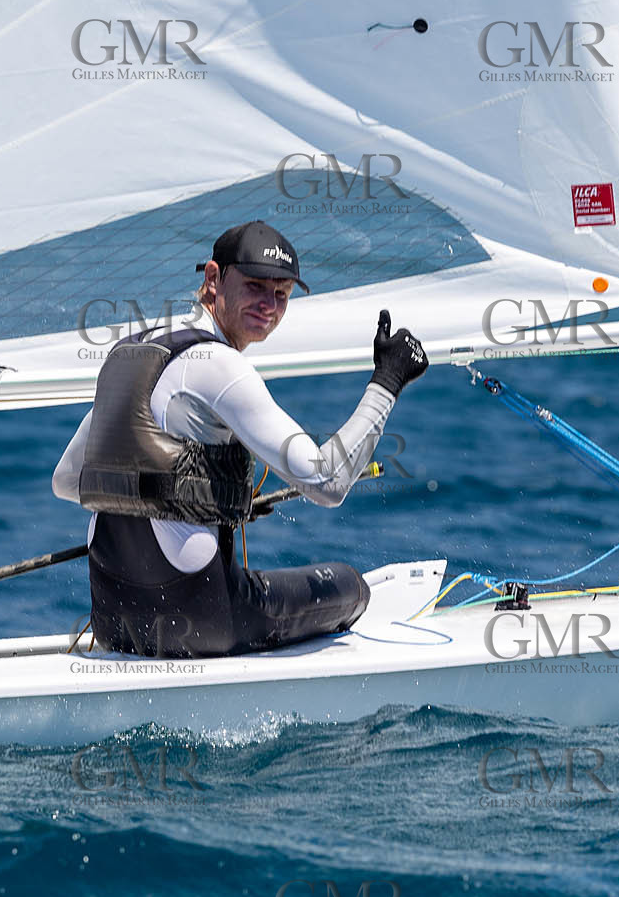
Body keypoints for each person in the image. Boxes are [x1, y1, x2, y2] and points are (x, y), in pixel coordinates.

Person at [52, 221, 429, 658]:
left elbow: (66, 481)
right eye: (255, 286)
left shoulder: (128, 354)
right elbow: (328, 482)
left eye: (282, 294)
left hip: (116, 620)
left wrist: (204, 499)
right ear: (213, 279)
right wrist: (388, 378)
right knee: (349, 585)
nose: (269, 305)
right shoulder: (220, 364)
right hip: (200, 622)